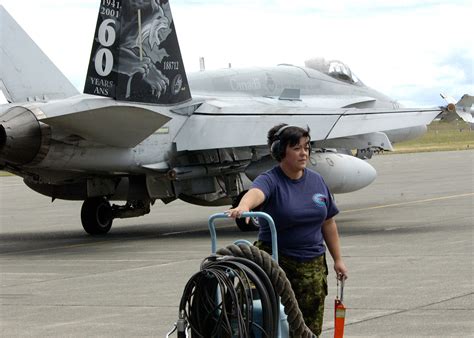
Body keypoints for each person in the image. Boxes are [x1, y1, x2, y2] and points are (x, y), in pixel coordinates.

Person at [227, 123, 348, 337]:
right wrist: (245, 206)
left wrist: (338, 259)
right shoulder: (271, 179)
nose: (304, 153)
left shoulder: (317, 181)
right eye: (297, 148)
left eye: (306, 147)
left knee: (307, 328)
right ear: (280, 151)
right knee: (258, 319)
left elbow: (328, 222)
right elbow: (256, 193)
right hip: (274, 261)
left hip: (312, 266)